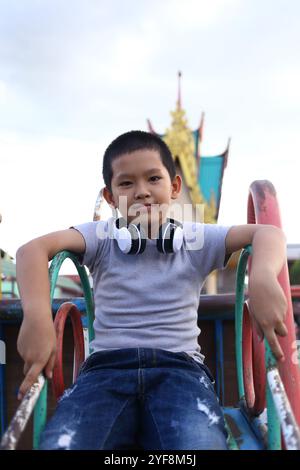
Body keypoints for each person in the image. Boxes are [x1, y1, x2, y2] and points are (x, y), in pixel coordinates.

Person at [16, 130, 288, 450]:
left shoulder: (195, 239)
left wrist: (263, 278)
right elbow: (31, 251)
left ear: (173, 187)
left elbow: (268, 233)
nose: (142, 192)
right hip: (105, 372)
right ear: (110, 196)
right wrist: (36, 317)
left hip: (180, 371)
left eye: (153, 179)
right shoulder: (101, 237)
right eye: (127, 183)